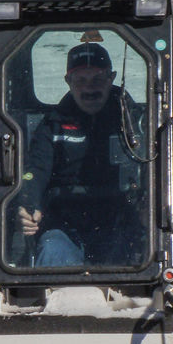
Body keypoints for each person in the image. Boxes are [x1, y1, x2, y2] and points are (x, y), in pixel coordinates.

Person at [16, 42, 145, 267]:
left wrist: (146, 205)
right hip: (64, 223)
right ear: (68, 81)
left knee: (129, 257)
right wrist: (29, 202)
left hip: (120, 220)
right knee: (53, 250)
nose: (89, 88)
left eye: (98, 79)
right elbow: (34, 171)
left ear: (111, 78)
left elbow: (152, 168)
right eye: (80, 80)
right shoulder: (52, 126)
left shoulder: (135, 123)